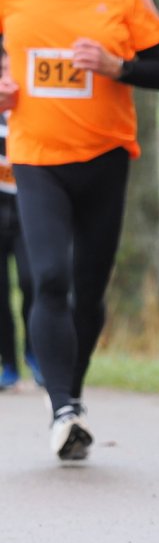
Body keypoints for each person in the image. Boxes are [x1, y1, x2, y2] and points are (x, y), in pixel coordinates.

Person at [0, 0, 159, 461]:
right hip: (36, 158)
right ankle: (62, 409)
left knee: (89, 289)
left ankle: (69, 396)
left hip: (104, 158)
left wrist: (116, 66)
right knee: (49, 277)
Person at [0, 51, 36, 391]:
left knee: (32, 282)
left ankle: (34, 354)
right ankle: (8, 364)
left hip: (29, 212)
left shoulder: (33, 109)